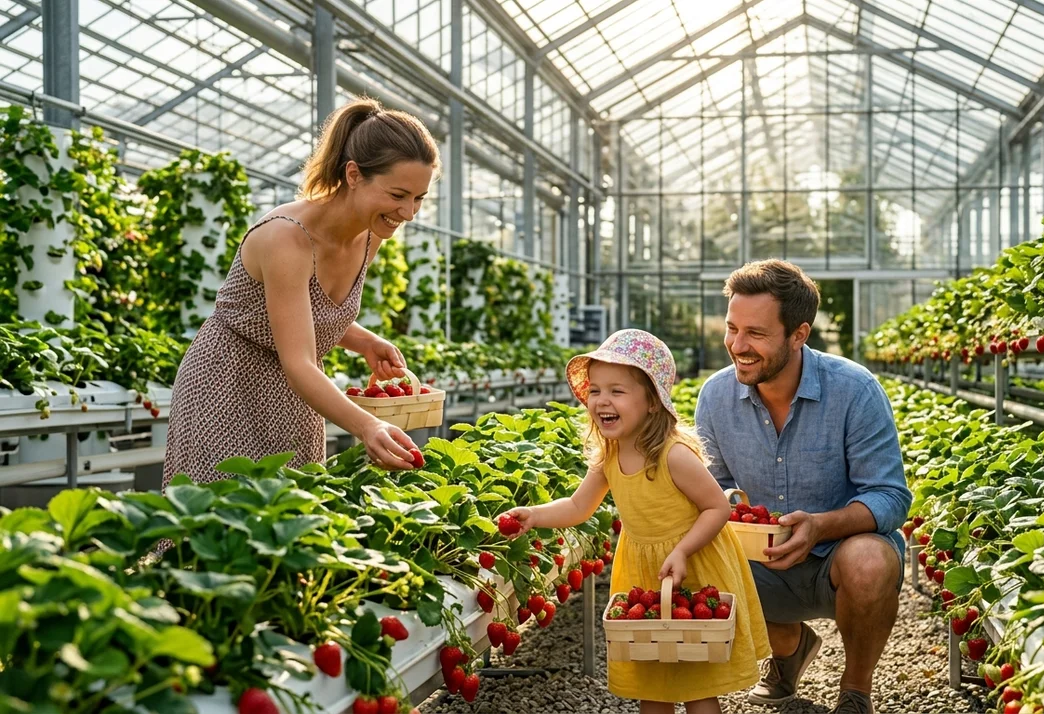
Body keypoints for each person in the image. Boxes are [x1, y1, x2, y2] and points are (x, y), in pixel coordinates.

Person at [163, 97, 436, 488]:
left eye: (419, 198)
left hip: (296, 396)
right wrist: (367, 426)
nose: (409, 213)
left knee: (293, 518)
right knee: (220, 523)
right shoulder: (286, 238)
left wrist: (364, 341)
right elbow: (299, 362)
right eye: (398, 195)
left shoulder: (372, 234)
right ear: (354, 174)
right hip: (226, 384)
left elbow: (305, 315)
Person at [499, 329, 770, 714]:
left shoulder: (673, 456)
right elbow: (579, 507)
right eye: (595, 390)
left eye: (617, 391)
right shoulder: (609, 456)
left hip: (692, 566)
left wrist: (682, 550)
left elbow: (717, 508)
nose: (601, 400)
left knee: (698, 682)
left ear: (652, 403)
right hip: (644, 573)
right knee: (652, 679)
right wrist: (534, 515)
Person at [694, 260, 913, 714]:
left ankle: (855, 692)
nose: (737, 345)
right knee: (697, 554)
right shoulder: (716, 397)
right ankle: (789, 648)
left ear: (799, 334)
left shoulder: (854, 390)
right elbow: (709, 491)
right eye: (732, 328)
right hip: (761, 559)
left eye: (756, 333)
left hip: (837, 556)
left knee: (871, 559)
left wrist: (819, 526)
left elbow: (890, 496)